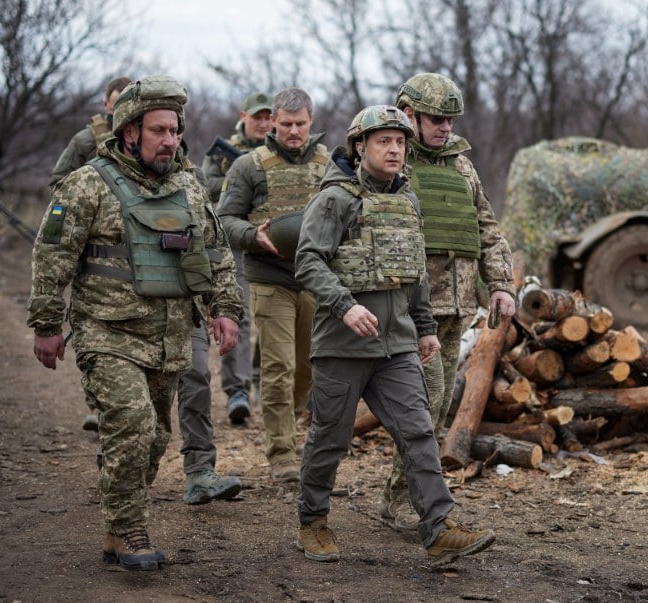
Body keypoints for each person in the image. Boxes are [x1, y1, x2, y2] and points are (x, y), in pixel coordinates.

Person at [28, 75, 244, 571]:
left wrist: (225, 309)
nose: (170, 140)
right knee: (132, 423)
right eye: (159, 131)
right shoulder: (89, 184)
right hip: (107, 331)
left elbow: (216, 254)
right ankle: (130, 528)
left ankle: (114, 522)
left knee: (156, 438)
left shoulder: (188, 188)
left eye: (174, 130)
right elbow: (52, 255)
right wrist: (45, 324)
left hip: (169, 336)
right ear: (129, 131)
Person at [294, 104, 495, 566]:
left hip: (397, 344)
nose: (394, 149)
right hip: (343, 344)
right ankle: (313, 520)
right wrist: (345, 307)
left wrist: (424, 327)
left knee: (418, 430)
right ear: (360, 146)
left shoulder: (407, 199)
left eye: (401, 142)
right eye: (384, 141)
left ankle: (438, 526)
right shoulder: (335, 199)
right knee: (331, 436)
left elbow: (416, 272)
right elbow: (307, 261)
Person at [378, 72, 518, 530]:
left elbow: (487, 227)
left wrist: (500, 283)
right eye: (436, 119)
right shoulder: (389, 160)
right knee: (425, 404)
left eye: (450, 121)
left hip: (455, 308)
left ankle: (408, 498)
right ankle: (412, 502)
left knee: (431, 410)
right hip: (407, 310)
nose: (445, 128)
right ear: (410, 114)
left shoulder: (461, 167)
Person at [218, 87, 329, 482]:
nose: (293, 131)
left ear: (311, 121)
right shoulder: (249, 166)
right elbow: (225, 220)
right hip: (269, 277)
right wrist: (252, 236)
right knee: (278, 365)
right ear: (273, 123)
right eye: (285, 124)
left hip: (315, 279)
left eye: (300, 124)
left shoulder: (329, 163)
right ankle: (282, 452)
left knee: (306, 368)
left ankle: (290, 426)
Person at [48, 75, 131, 433]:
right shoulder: (86, 140)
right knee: (95, 325)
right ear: (106, 104)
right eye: (118, 102)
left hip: (132, 251)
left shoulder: (148, 139)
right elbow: (58, 184)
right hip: (92, 245)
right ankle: (98, 405)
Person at [186, 91, 273, 430]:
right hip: (234, 242)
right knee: (239, 316)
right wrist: (244, 180)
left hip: (272, 245)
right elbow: (205, 188)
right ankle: (237, 390)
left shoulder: (279, 152)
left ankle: (263, 381)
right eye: (258, 117)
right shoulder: (224, 152)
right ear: (244, 116)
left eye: (269, 118)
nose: (264, 123)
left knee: (271, 319)